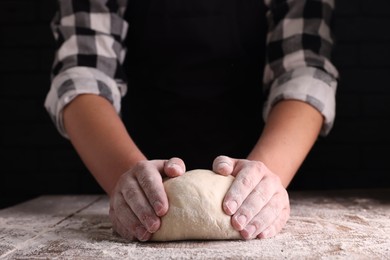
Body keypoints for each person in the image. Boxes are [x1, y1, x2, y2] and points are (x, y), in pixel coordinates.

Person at [45, 0, 338, 241]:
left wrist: (262, 184)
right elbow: (83, 72)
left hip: (261, 148)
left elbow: (304, 72)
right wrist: (131, 185)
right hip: (129, 153)